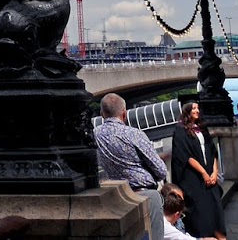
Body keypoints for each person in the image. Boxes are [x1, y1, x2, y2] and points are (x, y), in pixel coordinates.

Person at [92, 92, 169, 240]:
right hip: (144, 196)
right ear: (124, 113)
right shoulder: (133, 134)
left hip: (113, 199)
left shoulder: (94, 135)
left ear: (102, 113)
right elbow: (161, 171)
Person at [170, 101, 227, 240]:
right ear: (187, 111)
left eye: (197, 108)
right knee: (201, 214)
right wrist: (203, 173)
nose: (197, 110)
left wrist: (214, 173)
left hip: (209, 177)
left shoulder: (202, 128)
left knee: (216, 211)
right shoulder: (180, 130)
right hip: (194, 179)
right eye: (194, 108)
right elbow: (185, 156)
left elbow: (212, 151)